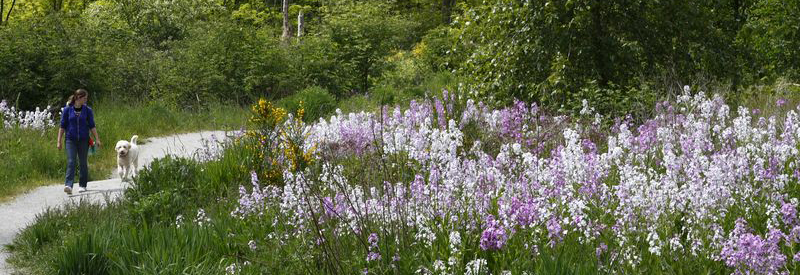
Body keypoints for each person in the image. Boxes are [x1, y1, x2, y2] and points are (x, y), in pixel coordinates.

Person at [56, 89, 102, 195]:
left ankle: (82, 185)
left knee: (83, 162)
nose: (86, 100)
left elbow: (92, 126)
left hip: (83, 140)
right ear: (78, 98)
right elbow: (62, 126)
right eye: (84, 98)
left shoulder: (88, 110)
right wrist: (59, 141)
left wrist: (97, 139)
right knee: (71, 161)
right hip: (70, 140)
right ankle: (68, 185)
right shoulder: (67, 110)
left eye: (86, 98)